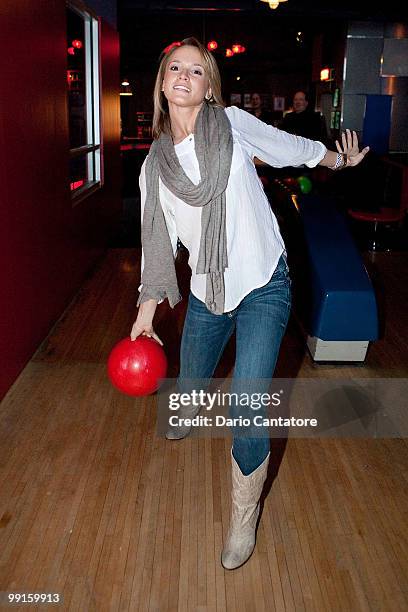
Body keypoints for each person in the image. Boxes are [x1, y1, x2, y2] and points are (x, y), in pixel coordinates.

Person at [130, 37, 369, 571]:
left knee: (248, 406)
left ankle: (244, 515)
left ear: (209, 85)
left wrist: (338, 159)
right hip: (208, 292)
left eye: (198, 69)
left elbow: (288, 147)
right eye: (176, 67)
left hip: (264, 282)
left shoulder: (233, 123)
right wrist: (145, 317)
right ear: (164, 81)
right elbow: (156, 245)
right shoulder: (155, 169)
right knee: (190, 382)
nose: (186, 76)